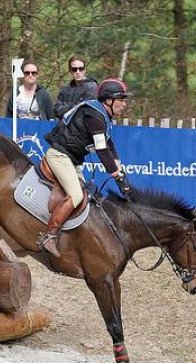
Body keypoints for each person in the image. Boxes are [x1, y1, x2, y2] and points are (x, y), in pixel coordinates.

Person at [38, 78, 133, 257]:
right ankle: (49, 236)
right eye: (121, 99)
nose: (124, 104)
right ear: (109, 101)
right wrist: (115, 174)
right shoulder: (95, 116)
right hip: (59, 156)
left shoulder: (101, 115)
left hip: (70, 159)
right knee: (76, 195)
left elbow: (109, 144)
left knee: (87, 197)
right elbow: (101, 149)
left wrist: (119, 167)